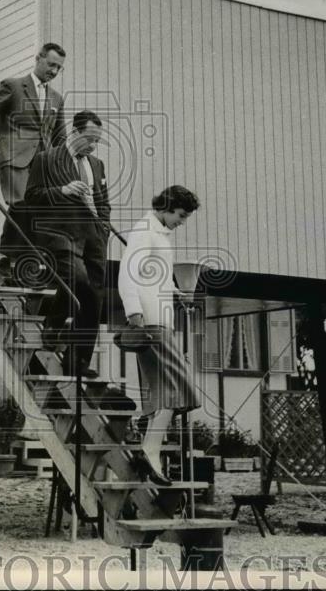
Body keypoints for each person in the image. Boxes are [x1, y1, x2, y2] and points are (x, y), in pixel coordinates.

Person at [0, 43, 67, 280]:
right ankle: (22, 257)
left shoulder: (57, 98)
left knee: (40, 209)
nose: (54, 72)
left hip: (43, 163)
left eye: (59, 68)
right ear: (38, 59)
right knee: (22, 203)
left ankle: (11, 256)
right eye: (51, 65)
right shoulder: (13, 86)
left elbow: (60, 138)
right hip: (15, 158)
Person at [117, 185, 202, 485]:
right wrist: (133, 313)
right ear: (167, 207)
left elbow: (154, 276)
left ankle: (149, 450)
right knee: (179, 386)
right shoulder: (144, 230)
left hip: (161, 317)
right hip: (150, 323)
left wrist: (173, 290)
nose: (182, 222)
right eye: (180, 215)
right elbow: (128, 273)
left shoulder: (159, 232)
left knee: (166, 389)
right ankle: (149, 449)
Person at [25, 109, 109, 379]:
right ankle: (53, 323)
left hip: (93, 234)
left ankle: (78, 360)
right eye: (89, 139)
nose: (93, 145)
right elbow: (32, 196)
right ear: (74, 133)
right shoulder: (46, 159)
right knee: (78, 280)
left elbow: (103, 201)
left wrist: (103, 227)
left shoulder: (97, 165)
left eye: (97, 140)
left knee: (95, 296)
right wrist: (62, 190)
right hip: (61, 234)